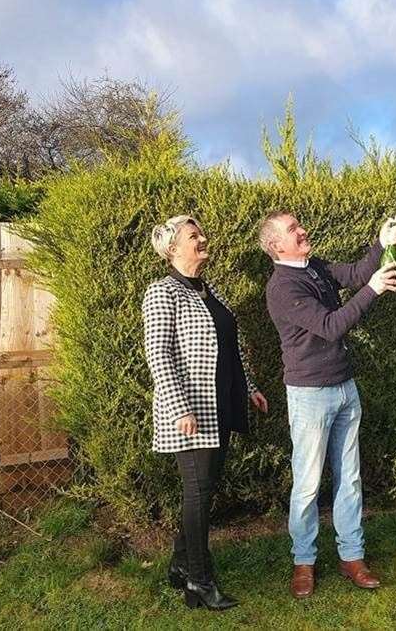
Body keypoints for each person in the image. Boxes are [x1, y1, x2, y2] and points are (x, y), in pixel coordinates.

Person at [259, 210, 396, 598]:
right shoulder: (282, 288)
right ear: (276, 245)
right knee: (306, 485)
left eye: (299, 224)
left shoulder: (315, 267)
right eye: (293, 229)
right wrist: (373, 288)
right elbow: (330, 326)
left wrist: (381, 242)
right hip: (308, 396)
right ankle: (303, 562)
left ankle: (351, 556)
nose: (302, 230)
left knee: (349, 478)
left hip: (344, 387)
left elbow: (356, 273)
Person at [142, 214, 269, 611]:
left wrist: (250, 388)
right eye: (193, 236)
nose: (203, 239)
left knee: (205, 489)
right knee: (197, 492)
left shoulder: (211, 293)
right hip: (191, 411)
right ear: (172, 249)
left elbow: (232, 350)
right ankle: (199, 580)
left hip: (221, 405)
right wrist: (179, 407)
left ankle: (181, 564)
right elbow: (158, 354)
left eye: (201, 234)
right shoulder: (162, 293)